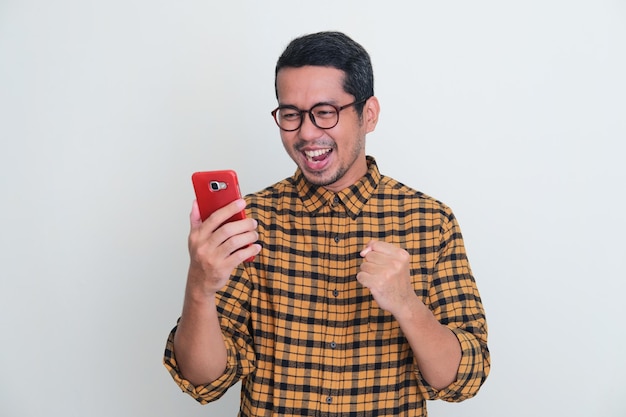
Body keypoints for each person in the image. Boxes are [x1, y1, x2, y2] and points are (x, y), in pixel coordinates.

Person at [164, 31, 490, 416]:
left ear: (368, 115)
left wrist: (406, 305)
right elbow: (203, 380)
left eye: (325, 112)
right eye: (291, 114)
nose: (305, 133)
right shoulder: (249, 223)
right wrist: (199, 287)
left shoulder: (430, 221)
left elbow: (462, 379)